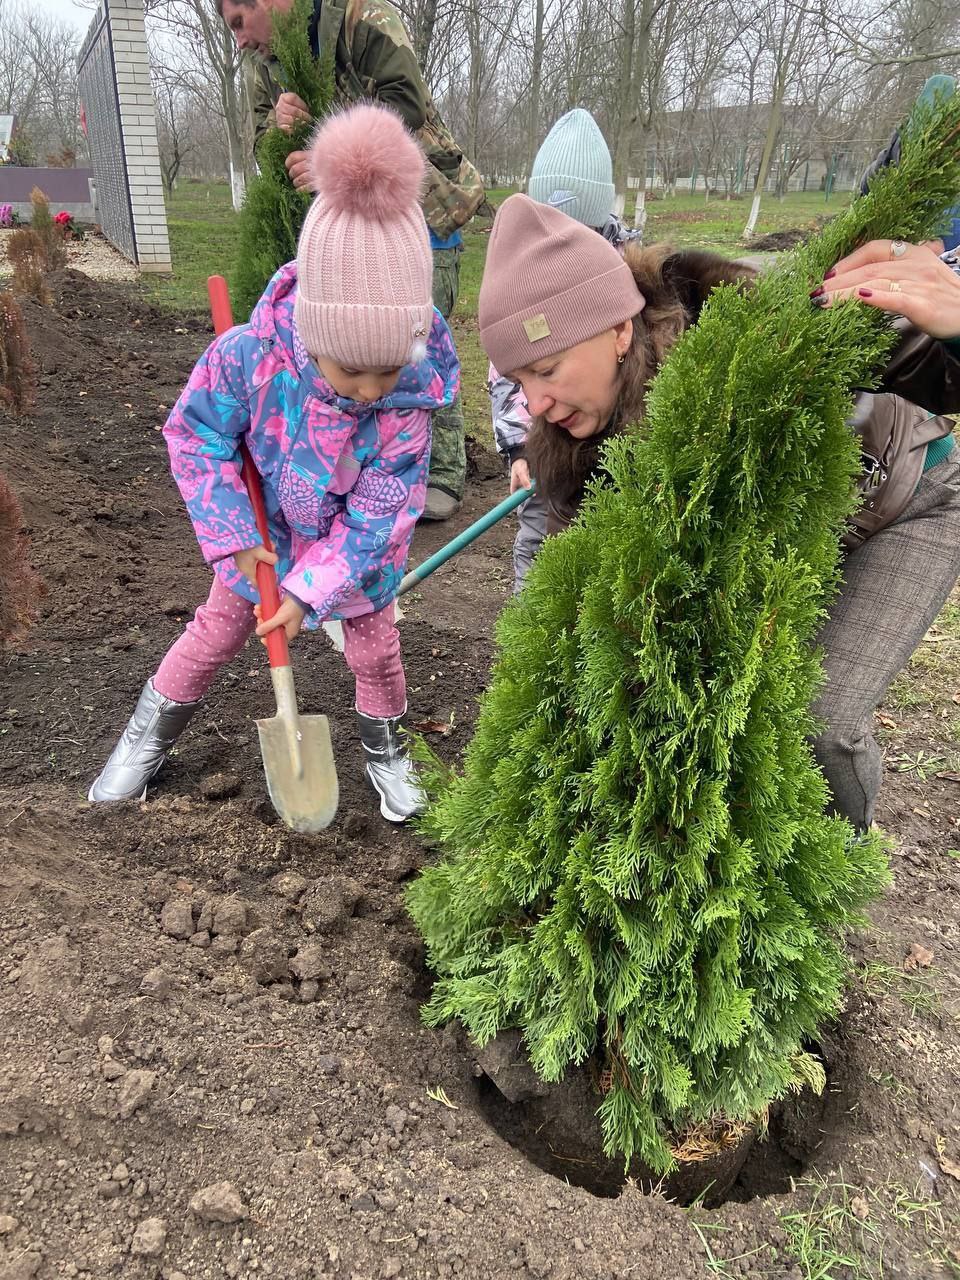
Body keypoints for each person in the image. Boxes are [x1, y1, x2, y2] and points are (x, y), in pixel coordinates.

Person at [476, 193, 960, 832]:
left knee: (822, 723)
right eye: (518, 381)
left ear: (620, 329)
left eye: (547, 368)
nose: (534, 403)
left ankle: (839, 865)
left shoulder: (746, 325)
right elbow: (550, 550)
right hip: (786, 549)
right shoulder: (565, 441)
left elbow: (926, 362)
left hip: (903, 498)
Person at [88, 104, 459, 823]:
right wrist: (232, 535)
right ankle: (145, 738)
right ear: (315, 328)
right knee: (217, 629)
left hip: (352, 555)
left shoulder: (407, 402)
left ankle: (386, 754)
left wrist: (309, 592)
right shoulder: (251, 361)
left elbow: (380, 512)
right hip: (262, 536)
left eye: (390, 367)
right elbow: (194, 435)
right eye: (355, 368)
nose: (373, 388)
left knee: (376, 652)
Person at [219, 0, 482, 521]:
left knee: (414, 349)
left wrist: (330, 150)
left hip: (416, 215)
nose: (241, 41)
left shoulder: (364, 16)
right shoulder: (264, 65)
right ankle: (362, 467)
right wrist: (280, 130)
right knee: (357, 359)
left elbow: (404, 105)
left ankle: (439, 472)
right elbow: (262, 141)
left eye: (239, 24)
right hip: (339, 237)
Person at [490, 108, 641, 591]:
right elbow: (506, 374)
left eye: (549, 370)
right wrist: (520, 446)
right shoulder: (519, 287)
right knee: (538, 537)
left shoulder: (623, 279)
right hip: (547, 448)